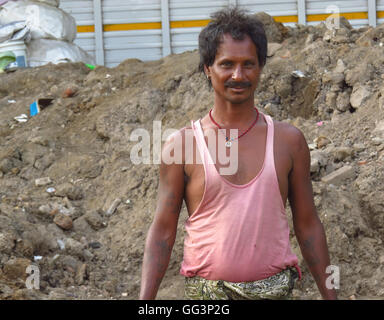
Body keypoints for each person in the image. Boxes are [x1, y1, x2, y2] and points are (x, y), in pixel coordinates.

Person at [139, 7, 337, 300]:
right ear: (208, 68)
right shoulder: (183, 146)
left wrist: (331, 296)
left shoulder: (288, 141)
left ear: (260, 68)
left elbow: (308, 225)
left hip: (276, 292)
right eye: (226, 64)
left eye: (248, 64)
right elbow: (162, 233)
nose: (238, 75)